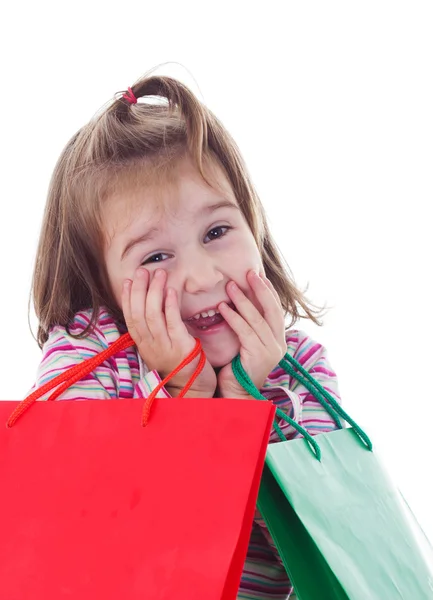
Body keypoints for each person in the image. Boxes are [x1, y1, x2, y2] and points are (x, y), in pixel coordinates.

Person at [29, 69, 342, 599]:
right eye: (156, 256)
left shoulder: (301, 367)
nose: (202, 276)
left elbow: (322, 545)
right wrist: (187, 396)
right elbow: (78, 521)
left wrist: (244, 405)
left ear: (254, 228)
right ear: (100, 282)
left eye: (217, 232)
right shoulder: (87, 354)